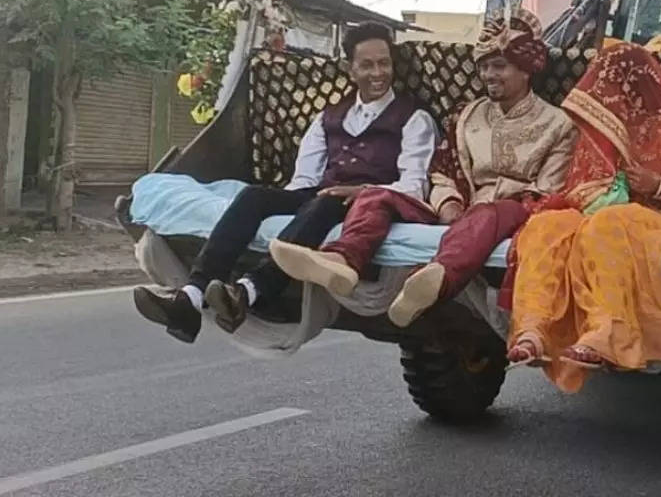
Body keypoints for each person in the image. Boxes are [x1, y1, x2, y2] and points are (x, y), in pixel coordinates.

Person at [269, 9, 578, 327]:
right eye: (483, 67)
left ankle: (435, 279)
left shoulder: (558, 124)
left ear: (526, 69)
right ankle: (342, 259)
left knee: (487, 213)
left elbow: (548, 193)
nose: (488, 75)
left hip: (515, 213)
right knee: (376, 196)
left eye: (499, 66)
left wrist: (491, 208)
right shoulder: (468, 115)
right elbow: (442, 169)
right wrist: (448, 203)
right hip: (454, 210)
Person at [133, 23, 438, 343]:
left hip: (374, 205)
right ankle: (190, 299)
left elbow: (415, 186)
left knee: (324, 203)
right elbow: (304, 178)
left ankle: (250, 291)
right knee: (254, 197)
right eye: (367, 65)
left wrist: (362, 192)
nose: (378, 73)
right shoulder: (330, 116)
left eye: (384, 63)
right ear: (351, 69)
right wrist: (283, 204)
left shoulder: (414, 118)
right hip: (324, 194)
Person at [504, 42, 661, 393]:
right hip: (597, 213)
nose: (609, 92)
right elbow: (577, 187)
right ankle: (535, 328)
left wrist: (660, 186)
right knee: (547, 225)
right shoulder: (598, 132)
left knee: (609, 224)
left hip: (652, 217)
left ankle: (608, 332)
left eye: (616, 83)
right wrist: (595, 193)